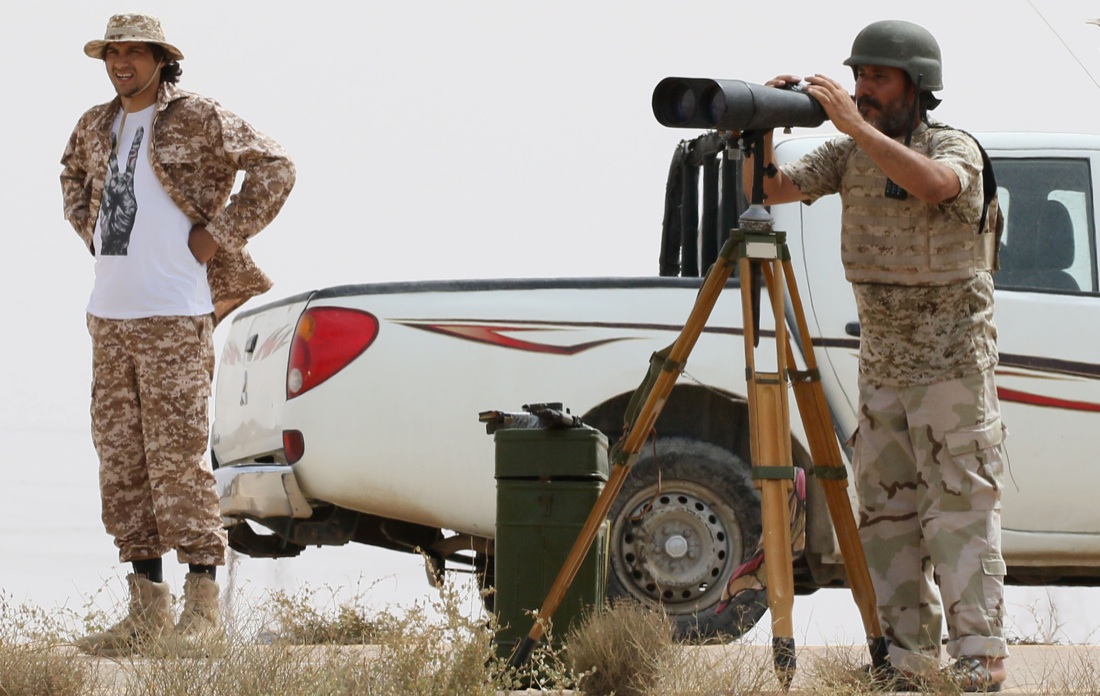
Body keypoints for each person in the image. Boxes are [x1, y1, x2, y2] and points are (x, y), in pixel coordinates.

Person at [744, 19, 1008, 693]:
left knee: (959, 512)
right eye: (857, 76)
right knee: (888, 517)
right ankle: (907, 661)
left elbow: (939, 186)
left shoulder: (951, 147)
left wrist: (855, 129)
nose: (862, 89)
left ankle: (979, 659)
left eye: (878, 78)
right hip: (883, 368)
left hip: (952, 368)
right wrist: (762, 127)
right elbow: (770, 189)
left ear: (916, 86)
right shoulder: (850, 152)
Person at [60, 13, 295, 656]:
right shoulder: (95, 124)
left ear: (161, 59)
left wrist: (218, 235)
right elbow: (71, 176)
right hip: (109, 318)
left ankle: (203, 611)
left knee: (178, 462)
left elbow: (276, 167)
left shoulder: (198, 116)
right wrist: (93, 233)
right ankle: (145, 615)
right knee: (123, 465)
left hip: (174, 316)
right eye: (113, 52)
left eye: (135, 52)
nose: (121, 63)